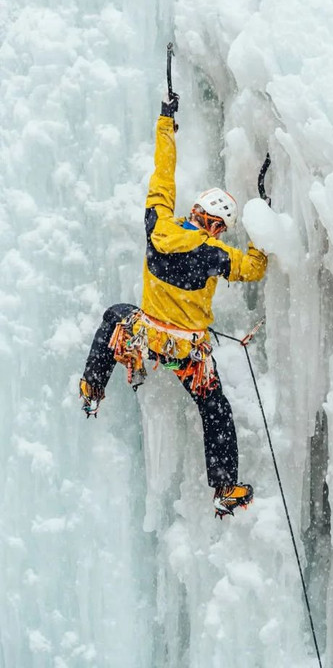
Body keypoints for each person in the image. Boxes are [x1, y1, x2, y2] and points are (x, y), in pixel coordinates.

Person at [79, 93, 268, 518]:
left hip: (143, 334)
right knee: (214, 409)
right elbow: (254, 268)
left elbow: (162, 177)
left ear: (195, 209)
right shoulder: (215, 255)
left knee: (114, 316)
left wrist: (166, 123)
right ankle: (224, 487)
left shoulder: (158, 226)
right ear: (216, 224)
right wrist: (262, 222)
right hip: (185, 350)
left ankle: (92, 386)